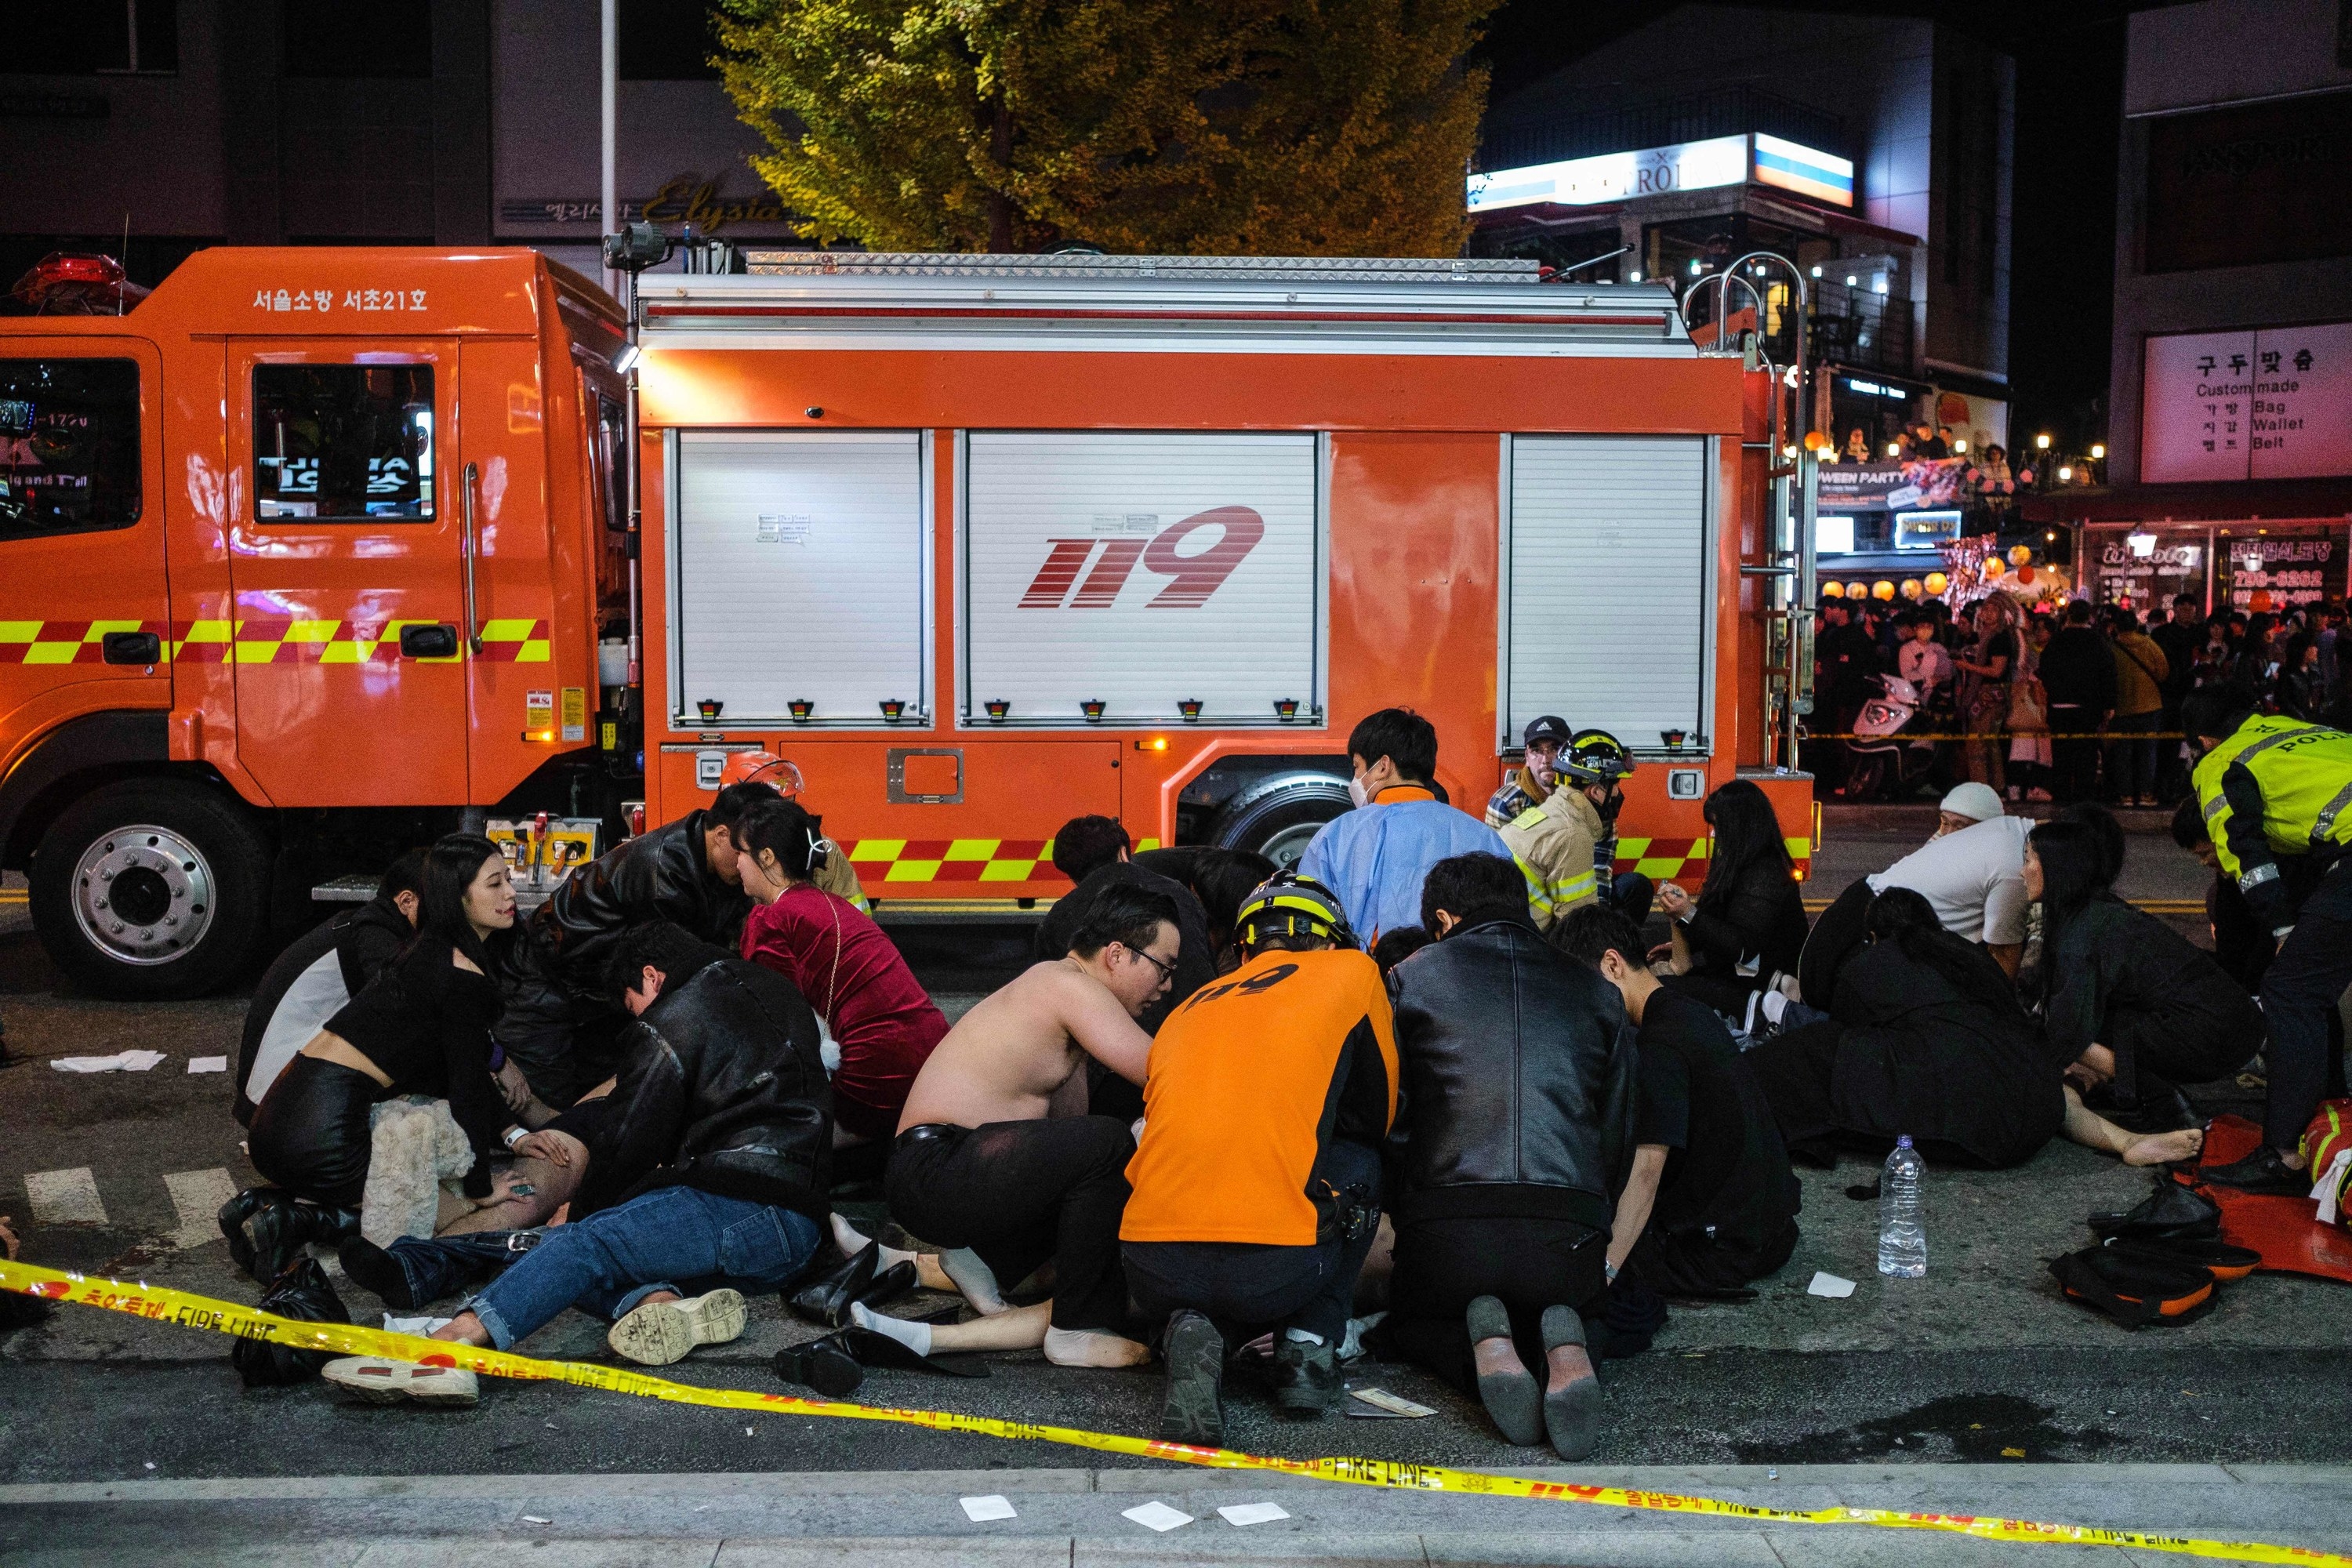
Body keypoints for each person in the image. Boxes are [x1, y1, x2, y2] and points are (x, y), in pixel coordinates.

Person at [325, 923, 833, 1401]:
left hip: (742, 1207)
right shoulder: (772, 988)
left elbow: (629, 1140)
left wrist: (585, 1212)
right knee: (577, 1260)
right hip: (796, 1234)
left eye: (635, 1005)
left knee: (576, 1247)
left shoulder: (675, 1015)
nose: (640, 1019)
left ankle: (453, 1346)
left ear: (652, 976)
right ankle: (656, 1304)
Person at [852, 881, 1178, 1367]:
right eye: (1164, 967)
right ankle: (1073, 1328)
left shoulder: (1060, 1001)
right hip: (933, 1167)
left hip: (941, 1168)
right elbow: (1166, 1072)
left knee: (1105, 1160)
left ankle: (979, 1261)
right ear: (1117, 954)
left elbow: (1070, 1144)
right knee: (1111, 1141)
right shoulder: (1067, 985)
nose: (1168, 986)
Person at [1122, 873, 1396, 1441]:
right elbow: (1377, 1117)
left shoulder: (1192, 1003)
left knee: (1212, 1257)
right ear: (1329, 941)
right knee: (1360, 1163)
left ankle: (1191, 1327)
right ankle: (1309, 1342)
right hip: (1277, 1267)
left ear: (1243, 948)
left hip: (1150, 1264)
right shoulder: (1353, 972)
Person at [1385, 855, 1635, 1459]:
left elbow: (1390, 1119)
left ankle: (1484, 1358)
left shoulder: (1408, 978)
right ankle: (1572, 1352)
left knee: (1407, 1324)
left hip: (1450, 1237)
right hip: (1566, 1238)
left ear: (1443, 921)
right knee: (1590, 1309)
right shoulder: (1598, 993)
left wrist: (1401, 1213)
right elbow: (1617, 1133)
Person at [245, 835, 525, 1233]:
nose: (511, 893)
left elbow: (468, 1067)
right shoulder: (460, 976)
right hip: (322, 1135)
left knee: (422, 1184)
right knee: (443, 1214)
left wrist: (513, 1134)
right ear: (457, 897)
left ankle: (273, 1204)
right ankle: (300, 1221)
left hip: (276, 1123)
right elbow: (467, 1090)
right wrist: (481, 1189)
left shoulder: (427, 949)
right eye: (495, 884)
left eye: (508, 879)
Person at [1559, 906, 1800, 1297]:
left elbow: (1646, 1172)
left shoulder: (1660, 1047)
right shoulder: (1688, 1012)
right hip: (1771, 1228)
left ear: (1612, 964)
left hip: (1725, 1251)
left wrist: (1604, 1272)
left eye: (1584, 992)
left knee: (1571, 1254)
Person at [496, 782, 775, 1106]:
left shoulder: (720, 866)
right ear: (722, 835)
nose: (750, 863)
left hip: (602, 995)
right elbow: (681, 973)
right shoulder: (664, 872)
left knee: (604, 1098)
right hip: (544, 985)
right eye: (745, 851)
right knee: (549, 1111)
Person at [1746, 888, 2063, 1169]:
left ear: (1873, 935)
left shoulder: (1870, 964)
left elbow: (1848, 1043)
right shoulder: (1968, 954)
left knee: (1817, 1048)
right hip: (2034, 1111)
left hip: (1972, 1121)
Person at [2180, 692, 2352, 1194]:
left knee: (2291, 992)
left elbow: (2245, 855)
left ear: (2204, 740)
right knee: (2310, 982)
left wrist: (2281, 927)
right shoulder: (2312, 735)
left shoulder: (2222, 760)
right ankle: (2329, 1106)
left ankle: (2282, 1156)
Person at [735, 795, 949, 1151]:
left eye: (741, 852)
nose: (736, 863)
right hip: (934, 1060)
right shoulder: (827, 901)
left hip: (877, 1075)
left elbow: (775, 1023)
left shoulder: (770, 919)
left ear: (767, 857)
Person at [2025, 819, 2256, 1127]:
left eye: (2028, 860)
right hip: (2229, 1025)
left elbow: (2066, 1029)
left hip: (2213, 1036)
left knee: (2062, 1025)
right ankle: (2135, 1087)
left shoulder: (2083, 933)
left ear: (2055, 868)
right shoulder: (2097, 908)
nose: (2022, 871)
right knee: (2080, 1014)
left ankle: (2160, 1097)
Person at [235, 849, 426, 1126]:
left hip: (275, 1094)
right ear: (406, 901)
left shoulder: (373, 923)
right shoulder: (374, 935)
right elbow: (405, 1014)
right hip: (275, 1107)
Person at [1798, 782, 2027, 1007]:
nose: (1948, 833)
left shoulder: (1984, 858)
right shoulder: (1951, 851)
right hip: (1861, 927)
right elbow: (2004, 956)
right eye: (1944, 823)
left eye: (1960, 827)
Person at [1297, 707, 1511, 942]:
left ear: (1383, 766)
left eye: (1357, 767)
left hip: (1364, 975)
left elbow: (1308, 926)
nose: (1355, 779)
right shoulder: (1484, 837)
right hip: (1457, 974)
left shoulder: (1334, 837)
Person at [1654, 779, 1806, 1020]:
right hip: (1736, 977)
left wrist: (1688, 914)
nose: (1714, 833)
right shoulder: (1737, 865)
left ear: (1739, 827)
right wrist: (1685, 944)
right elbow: (1718, 924)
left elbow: (1742, 947)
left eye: (1718, 825)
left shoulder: (1766, 873)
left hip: (1759, 990)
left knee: (1660, 992)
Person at [1497, 728, 1650, 931]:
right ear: (1596, 791)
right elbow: (1579, 929)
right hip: (1524, 943)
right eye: (1615, 784)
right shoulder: (1573, 834)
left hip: (1506, 930)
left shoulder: (1551, 811)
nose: (1617, 793)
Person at [2037, 601, 2115, 805]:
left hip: (2059, 706)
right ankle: (2084, 801)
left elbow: (2043, 671)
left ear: (2068, 617)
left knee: (2061, 757)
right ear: (2089, 617)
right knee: (2086, 756)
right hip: (2088, 708)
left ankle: (2062, 799)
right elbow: (2108, 675)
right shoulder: (2098, 642)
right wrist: (2108, 705)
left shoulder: (2056, 642)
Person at [1955, 597, 2022, 793]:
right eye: (1986, 609)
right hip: (1985, 693)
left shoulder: (1999, 637)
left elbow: (1996, 670)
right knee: (1989, 743)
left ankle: (1982, 790)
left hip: (1989, 695)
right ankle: (1996, 788)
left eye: (1995, 610)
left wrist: (1968, 666)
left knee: (1978, 744)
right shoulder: (1984, 636)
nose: (1989, 613)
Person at [2106, 607, 2170, 806]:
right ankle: (2146, 794)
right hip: (2150, 706)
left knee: (2123, 754)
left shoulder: (2111, 648)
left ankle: (2125, 795)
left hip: (2122, 708)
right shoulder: (2149, 645)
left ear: (2116, 627)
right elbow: (2163, 672)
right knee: (2148, 753)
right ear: (2137, 625)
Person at [1486, 714, 1571, 827]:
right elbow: (1496, 845)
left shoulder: (1587, 794)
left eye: (1555, 749)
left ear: (1570, 755)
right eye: (1536, 750)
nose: (1545, 760)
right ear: (1527, 757)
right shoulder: (1504, 803)